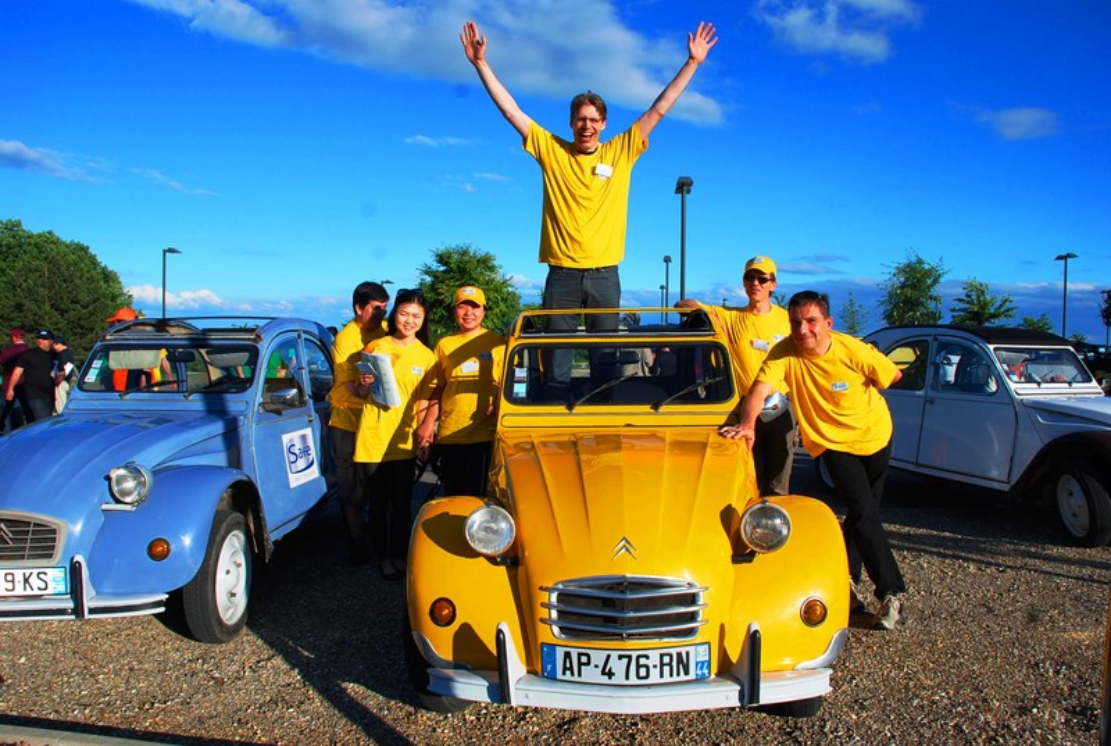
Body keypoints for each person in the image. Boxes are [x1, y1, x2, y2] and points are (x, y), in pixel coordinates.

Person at [460, 19, 718, 398]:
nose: (587, 126)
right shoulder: (552, 150)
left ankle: (601, 416)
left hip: (604, 273)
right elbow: (511, 111)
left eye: (594, 120)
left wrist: (692, 63)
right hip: (561, 274)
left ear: (604, 124)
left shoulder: (621, 151)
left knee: (606, 355)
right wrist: (481, 64)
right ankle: (553, 415)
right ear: (571, 122)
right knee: (556, 356)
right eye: (580, 119)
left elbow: (657, 110)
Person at [723, 291, 907, 630]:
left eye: (811, 321)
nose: (803, 329)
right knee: (864, 511)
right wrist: (747, 424)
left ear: (827, 323)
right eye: (796, 322)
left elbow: (892, 376)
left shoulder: (851, 349)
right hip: (832, 443)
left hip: (875, 436)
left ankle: (848, 583)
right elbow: (759, 392)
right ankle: (891, 592)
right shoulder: (784, 353)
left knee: (862, 514)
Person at [678, 255, 797, 496]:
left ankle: (774, 525)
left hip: (781, 405)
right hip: (743, 406)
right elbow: (681, 306)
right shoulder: (730, 316)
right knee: (745, 473)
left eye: (762, 279)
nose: (756, 283)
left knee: (778, 479)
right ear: (743, 283)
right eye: (750, 277)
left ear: (773, 284)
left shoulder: (788, 320)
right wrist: (700, 311)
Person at [352, 289, 438, 580]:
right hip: (374, 435)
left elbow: (425, 400)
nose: (409, 320)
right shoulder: (376, 346)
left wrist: (423, 434)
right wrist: (364, 382)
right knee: (378, 503)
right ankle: (383, 557)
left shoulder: (427, 356)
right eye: (404, 313)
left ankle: (400, 554)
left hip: (403, 439)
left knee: (402, 503)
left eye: (416, 315)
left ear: (423, 319)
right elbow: (361, 391)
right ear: (394, 315)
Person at [419, 286, 506, 498]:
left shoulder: (498, 343)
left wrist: (497, 403)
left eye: (475, 307)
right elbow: (438, 388)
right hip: (450, 435)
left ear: (484, 311)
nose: (469, 313)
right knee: (453, 496)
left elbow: (508, 385)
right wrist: (427, 425)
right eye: (463, 307)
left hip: (484, 436)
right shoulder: (444, 345)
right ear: (454, 311)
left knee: (479, 498)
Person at [329, 281, 391, 566]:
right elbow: (351, 387)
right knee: (351, 484)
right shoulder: (346, 339)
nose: (382, 313)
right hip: (347, 420)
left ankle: (377, 535)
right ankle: (356, 540)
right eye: (376, 308)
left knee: (374, 482)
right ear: (358, 308)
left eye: (385, 307)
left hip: (374, 418)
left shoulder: (385, 330)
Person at [5, 329, 58, 423]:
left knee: (45, 418)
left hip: (50, 393)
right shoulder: (28, 354)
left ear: (51, 341)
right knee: (42, 419)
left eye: (44, 339)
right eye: (39, 338)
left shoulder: (55, 355)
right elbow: (17, 372)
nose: (40, 341)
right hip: (34, 394)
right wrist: (10, 388)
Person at [0, 327, 29, 431]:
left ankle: (6, 434)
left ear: (13, 337)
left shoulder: (7, 351)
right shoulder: (29, 351)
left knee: (6, 411)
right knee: (21, 412)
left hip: (7, 385)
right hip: (25, 385)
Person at [52, 334, 77, 414]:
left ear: (58, 344)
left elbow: (65, 370)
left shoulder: (63, 354)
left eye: (54, 345)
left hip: (62, 382)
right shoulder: (68, 353)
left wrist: (58, 381)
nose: (53, 347)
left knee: (61, 404)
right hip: (65, 381)